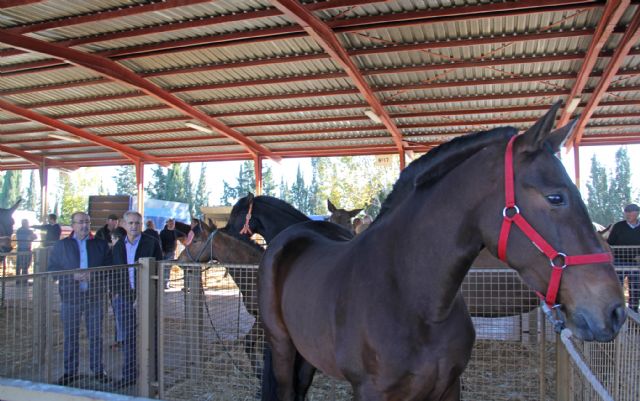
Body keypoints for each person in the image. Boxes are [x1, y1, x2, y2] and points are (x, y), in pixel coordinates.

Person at [47, 211, 112, 386]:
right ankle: (70, 372)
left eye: (87, 222)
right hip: (70, 298)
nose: (84, 225)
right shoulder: (62, 246)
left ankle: (98, 370)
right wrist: (71, 276)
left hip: (95, 297)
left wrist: (94, 276)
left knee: (96, 335)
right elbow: (52, 270)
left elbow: (110, 268)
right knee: (70, 336)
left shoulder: (101, 245)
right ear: (73, 224)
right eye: (80, 222)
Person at [110, 211, 162, 388]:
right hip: (124, 296)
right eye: (131, 223)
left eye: (137, 223)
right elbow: (113, 271)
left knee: (151, 335)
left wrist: (152, 292)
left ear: (141, 225)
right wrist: (115, 292)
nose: (134, 227)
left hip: (146, 294)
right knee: (127, 337)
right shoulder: (118, 247)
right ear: (124, 224)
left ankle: (153, 374)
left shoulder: (152, 243)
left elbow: (160, 268)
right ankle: (129, 374)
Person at [608, 203, 640, 312]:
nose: (628, 215)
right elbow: (610, 243)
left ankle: (633, 312)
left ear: (637, 213)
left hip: (636, 264)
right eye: (626, 213)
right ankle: (616, 312)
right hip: (619, 262)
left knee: (635, 289)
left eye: (630, 213)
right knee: (616, 288)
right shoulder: (618, 226)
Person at [159, 218, 184, 289]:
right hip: (164, 252)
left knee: (167, 268)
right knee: (163, 268)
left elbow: (183, 235)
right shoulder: (163, 232)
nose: (172, 224)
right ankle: (163, 283)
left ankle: (165, 283)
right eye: (170, 223)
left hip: (171, 253)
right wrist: (162, 251)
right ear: (167, 223)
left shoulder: (175, 232)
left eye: (173, 223)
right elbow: (160, 242)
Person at [15, 219, 37, 285]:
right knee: (25, 265)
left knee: (18, 265)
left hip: (19, 249)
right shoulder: (29, 231)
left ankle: (18, 281)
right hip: (27, 249)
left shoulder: (18, 230)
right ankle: (24, 281)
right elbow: (35, 237)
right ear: (26, 224)